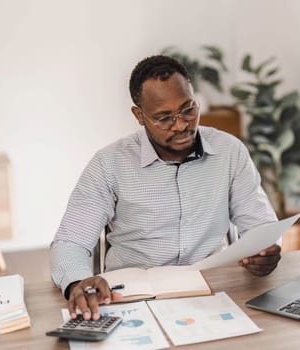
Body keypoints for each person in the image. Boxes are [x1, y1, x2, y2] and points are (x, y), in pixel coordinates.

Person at [50, 55, 280, 321]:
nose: (181, 124)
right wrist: (76, 282)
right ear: (139, 115)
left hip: (213, 290)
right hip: (132, 296)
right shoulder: (109, 163)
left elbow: (261, 223)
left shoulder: (230, 151)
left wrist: (266, 250)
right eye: (164, 118)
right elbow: (70, 241)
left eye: (188, 110)